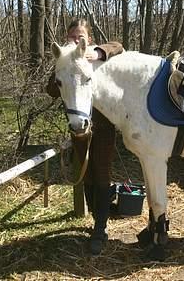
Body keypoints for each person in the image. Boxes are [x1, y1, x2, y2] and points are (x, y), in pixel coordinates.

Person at [46, 19, 123, 255]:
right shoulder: (66, 62)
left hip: (101, 126)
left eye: (80, 36)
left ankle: (101, 228)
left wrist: (97, 52)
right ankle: (96, 216)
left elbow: (118, 46)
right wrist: (61, 69)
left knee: (101, 173)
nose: (76, 40)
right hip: (78, 128)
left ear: (88, 38)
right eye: (72, 36)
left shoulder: (98, 55)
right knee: (86, 174)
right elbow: (51, 90)